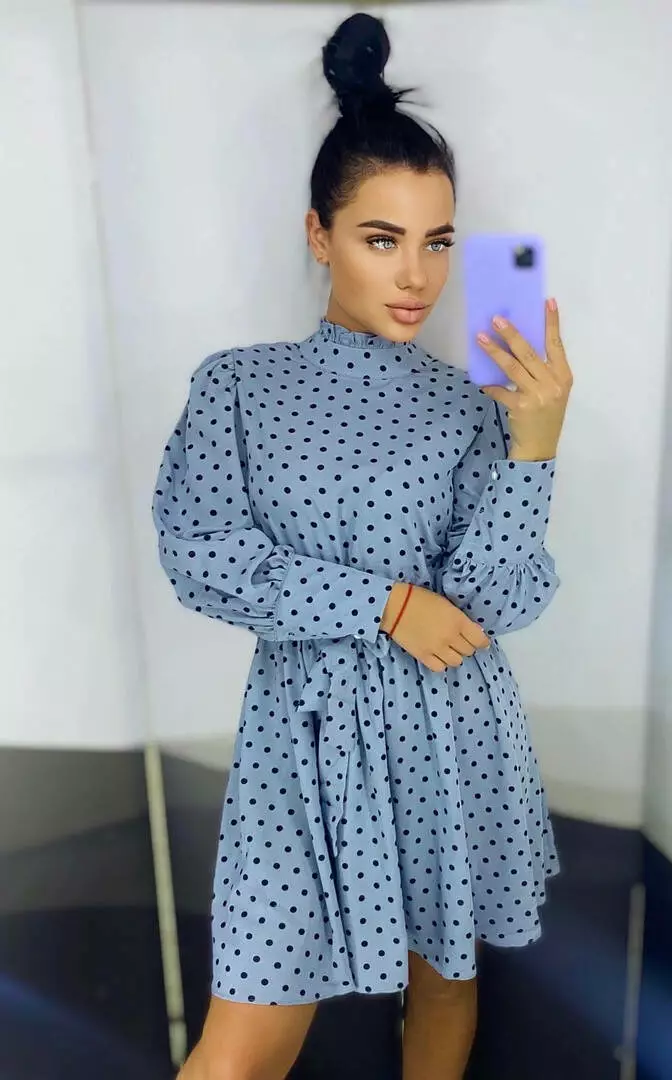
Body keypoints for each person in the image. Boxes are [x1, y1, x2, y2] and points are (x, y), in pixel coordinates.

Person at [152, 12, 572, 1080]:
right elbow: (202, 554)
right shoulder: (238, 386)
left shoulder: (474, 407)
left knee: (445, 983)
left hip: (448, 725)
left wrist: (534, 446)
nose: (416, 275)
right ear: (319, 234)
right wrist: (384, 604)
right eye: (382, 239)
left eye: (438, 242)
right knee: (241, 1044)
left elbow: (495, 600)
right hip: (300, 735)